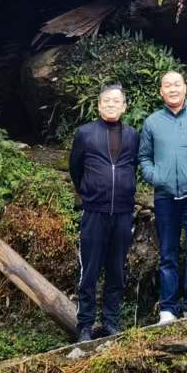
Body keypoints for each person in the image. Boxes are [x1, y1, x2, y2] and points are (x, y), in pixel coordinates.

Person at [67, 85, 138, 343]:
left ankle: (111, 322)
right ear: (98, 106)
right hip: (94, 212)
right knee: (89, 270)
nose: (111, 104)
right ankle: (85, 325)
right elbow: (75, 168)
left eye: (116, 101)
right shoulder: (85, 133)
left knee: (117, 270)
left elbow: (133, 166)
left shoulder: (132, 135)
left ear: (124, 107)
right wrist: (89, 193)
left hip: (123, 212)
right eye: (106, 101)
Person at [138, 70, 187, 324]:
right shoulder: (152, 122)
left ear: (185, 87)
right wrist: (156, 176)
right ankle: (167, 308)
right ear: (161, 92)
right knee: (167, 251)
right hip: (165, 196)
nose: (173, 89)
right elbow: (144, 157)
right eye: (167, 85)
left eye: (177, 84)